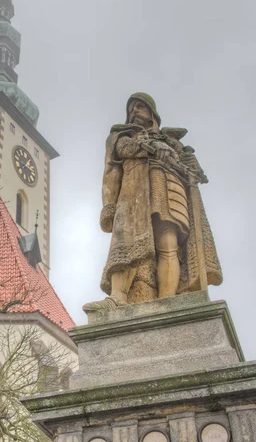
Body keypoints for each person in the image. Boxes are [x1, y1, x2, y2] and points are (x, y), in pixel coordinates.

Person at [84, 93, 222, 311]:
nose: (134, 112)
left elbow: (192, 171)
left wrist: (190, 163)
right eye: (131, 109)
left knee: (168, 244)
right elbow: (120, 152)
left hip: (171, 188)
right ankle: (118, 296)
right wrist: (146, 147)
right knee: (124, 243)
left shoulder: (173, 143)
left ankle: (167, 299)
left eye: (139, 107)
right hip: (134, 193)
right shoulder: (123, 135)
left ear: (152, 112)